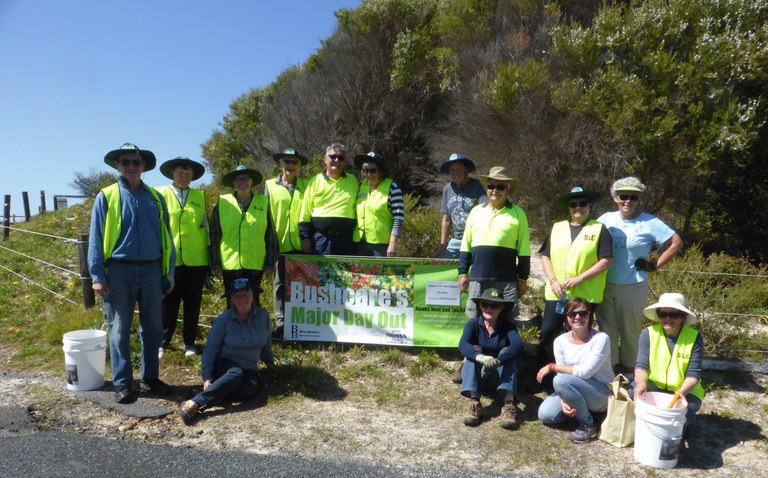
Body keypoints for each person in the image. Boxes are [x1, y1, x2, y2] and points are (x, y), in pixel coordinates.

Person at [88, 143, 175, 404]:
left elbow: (167, 238)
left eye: (136, 163)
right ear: (118, 165)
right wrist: (97, 276)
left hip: (151, 270)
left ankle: (150, 378)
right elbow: (96, 237)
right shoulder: (106, 196)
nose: (131, 167)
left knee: (153, 327)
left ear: (144, 166)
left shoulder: (156, 198)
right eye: (125, 162)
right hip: (118, 271)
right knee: (119, 330)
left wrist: (167, 273)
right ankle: (123, 382)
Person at [596, 177, 683, 374]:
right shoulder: (605, 219)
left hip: (633, 285)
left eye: (633, 197)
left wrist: (655, 265)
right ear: (616, 198)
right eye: (623, 196)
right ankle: (609, 372)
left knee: (629, 333)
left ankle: (629, 373)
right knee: (607, 332)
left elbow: (676, 242)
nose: (628, 201)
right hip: (604, 284)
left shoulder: (650, 222)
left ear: (639, 199)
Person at [538, 187, 612, 391]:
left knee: (579, 336)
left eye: (582, 203)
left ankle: (577, 380)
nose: (578, 207)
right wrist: (552, 280)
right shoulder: (557, 227)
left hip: (586, 295)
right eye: (573, 204)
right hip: (557, 293)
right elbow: (545, 256)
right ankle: (545, 379)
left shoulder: (599, 229)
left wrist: (580, 278)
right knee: (549, 333)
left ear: (590, 206)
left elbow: (606, 261)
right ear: (569, 208)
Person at [178, 277, 274, 425]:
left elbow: (267, 344)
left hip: (248, 368)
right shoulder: (224, 319)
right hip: (224, 365)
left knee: (251, 388)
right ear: (232, 299)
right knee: (236, 374)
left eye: (245, 294)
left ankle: (212, 391)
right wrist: (207, 377)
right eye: (237, 295)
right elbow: (210, 350)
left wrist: (271, 366)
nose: (242, 298)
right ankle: (195, 403)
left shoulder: (263, 316)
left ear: (253, 296)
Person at [536, 298, 613, 443]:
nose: (577, 317)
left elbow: (585, 372)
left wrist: (551, 366)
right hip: (572, 387)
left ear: (589, 315)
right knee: (546, 415)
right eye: (572, 314)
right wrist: (565, 398)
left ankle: (588, 424)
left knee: (559, 380)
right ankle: (585, 412)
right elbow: (562, 377)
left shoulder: (601, 339)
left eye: (583, 314)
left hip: (601, 392)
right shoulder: (560, 341)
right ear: (566, 317)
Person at [458, 166, 530, 319]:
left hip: (506, 279)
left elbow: (524, 250)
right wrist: (462, 273)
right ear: (486, 189)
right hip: (477, 278)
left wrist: (523, 279)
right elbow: (466, 246)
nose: (495, 190)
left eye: (500, 186)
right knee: (475, 321)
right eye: (491, 186)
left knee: (507, 321)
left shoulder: (518, 213)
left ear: (508, 190)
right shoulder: (475, 211)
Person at [156, 157, 209, 357]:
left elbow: (206, 228)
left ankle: (189, 343)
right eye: (181, 172)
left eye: (188, 174)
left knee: (193, 303)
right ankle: (162, 342)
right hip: (171, 259)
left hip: (196, 259)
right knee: (168, 303)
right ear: (172, 173)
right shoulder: (160, 193)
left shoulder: (200, 196)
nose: (184, 176)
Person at [634, 293, 704, 429]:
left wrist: (681, 393)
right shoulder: (647, 333)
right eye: (662, 314)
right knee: (633, 391)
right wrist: (641, 383)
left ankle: (682, 427)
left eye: (673, 315)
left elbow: (693, 374)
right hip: (654, 385)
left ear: (683, 316)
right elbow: (641, 365)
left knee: (687, 408)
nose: (667, 318)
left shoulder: (695, 337)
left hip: (684, 389)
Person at [210, 165, 278, 303]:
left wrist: (270, 264)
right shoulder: (222, 203)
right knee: (232, 304)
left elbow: (270, 235)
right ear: (233, 184)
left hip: (255, 265)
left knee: (253, 303)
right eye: (238, 180)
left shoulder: (264, 203)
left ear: (252, 182)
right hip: (229, 264)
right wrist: (216, 264)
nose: (242, 183)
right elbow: (214, 236)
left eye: (246, 179)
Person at [458, 288, 524, 429]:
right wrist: (480, 357)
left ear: (501, 308)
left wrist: (498, 361)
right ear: (480, 306)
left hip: (498, 378)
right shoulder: (473, 324)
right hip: (477, 377)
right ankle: (475, 402)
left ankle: (508, 405)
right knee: (473, 350)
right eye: (484, 305)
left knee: (508, 351)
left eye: (494, 305)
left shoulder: (508, 327)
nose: (489, 308)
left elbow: (518, 345)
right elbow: (462, 344)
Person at [265, 148, 308, 336]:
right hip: (278, 242)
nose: (290, 165)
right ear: (281, 164)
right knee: (279, 284)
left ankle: (301, 319)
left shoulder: (307, 185)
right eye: (287, 161)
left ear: (299, 166)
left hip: (300, 243)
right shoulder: (269, 185)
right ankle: (281, 322)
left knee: (301, 284)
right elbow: (264, 215)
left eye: (294, 162)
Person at [299, 143, 359, 255]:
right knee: (322, 272)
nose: (337, 160)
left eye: (341, 158)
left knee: (346, 273)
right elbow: (305, 212)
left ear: (344, 162)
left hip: (347, 240)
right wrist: (304, 237)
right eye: (333, 157)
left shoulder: (353, 181)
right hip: (321, 240)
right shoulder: (314, 182)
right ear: (325, 160)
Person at [434, 153, 487, 259]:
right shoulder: (447, 189)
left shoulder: (477, 186)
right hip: (456, 240)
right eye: (452, 170)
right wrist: (442, 246)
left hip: (475, 240)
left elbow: (485, 215)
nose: (455, 173)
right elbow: (446, 219)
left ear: (466, 169)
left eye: (458, 169)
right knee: (445, 265)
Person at [352, 151, 405, 257]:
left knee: (383, 273)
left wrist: (392, 244)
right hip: (360, 243)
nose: (369, 174)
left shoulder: (392, 187)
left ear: (380, 171)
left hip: (382, 245)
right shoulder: (360, 185)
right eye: (365, 171)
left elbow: (398, 218)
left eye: (373, 170)